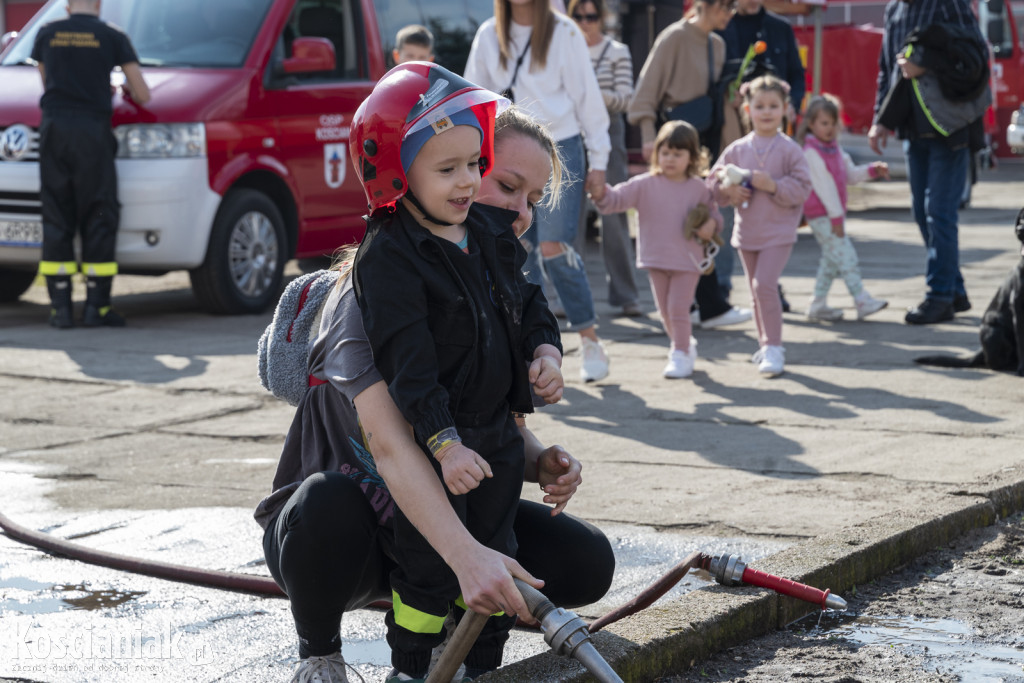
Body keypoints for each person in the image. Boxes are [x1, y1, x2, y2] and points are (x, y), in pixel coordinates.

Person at [257, 100, 614, 683]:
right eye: (507, 185)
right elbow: (396, 448)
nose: (520, 215)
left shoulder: (487, 282)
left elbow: (487, 430)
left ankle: (457, 620)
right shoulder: (368, 297)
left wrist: (539, 460)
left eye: (532, 200)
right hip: (349, 530)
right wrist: (470, 558)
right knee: (327, 505)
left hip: (436, 510)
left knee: (586, 562)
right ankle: (319, 653)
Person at [465, 0, 614, 383]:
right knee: (510, 248)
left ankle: (589, 338)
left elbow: (589, 101)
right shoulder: (488, 35)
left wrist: (599, 160)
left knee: (554, 247)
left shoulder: (564, 31)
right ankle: (520, 349)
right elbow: (471, 100)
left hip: (558, 150)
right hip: (506, 153)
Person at [628, 0, 752, 332]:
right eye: (725, 7)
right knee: (688, 221)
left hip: (706, 145)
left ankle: (704, 303)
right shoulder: (674, 37)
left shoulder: (717, 43)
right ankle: (706, 305)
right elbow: (646, 93)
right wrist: (648, 137)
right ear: (705, 5)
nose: (729, 14)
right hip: (678, 144)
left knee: (703, 219)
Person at [30, 0, 150, 328]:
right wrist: (117, 88)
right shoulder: (111, 35)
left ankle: (60, 310)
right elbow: (142, 93)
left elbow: (47, 80)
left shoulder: (46, 33)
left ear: (67, 5)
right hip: (92, 133)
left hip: (54, 130)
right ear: (98, 4)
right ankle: (96, 307)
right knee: (99, 211)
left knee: (56, 212)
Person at [868, 0, 985, 325]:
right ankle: (954, 290)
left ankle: (940, 297)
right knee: (922, 211)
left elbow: (976, 54)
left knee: (939, 213)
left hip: (949, 126)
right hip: (912, 127)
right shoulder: (894, 9)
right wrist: (880, 119)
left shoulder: (949, 3)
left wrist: (926, 63)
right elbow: (887, 68)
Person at [591, 120, 722, 379]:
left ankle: (681, 351)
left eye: (678, 153)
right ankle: (684, 345)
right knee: (665, 313)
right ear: (656, 153)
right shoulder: (644, 184)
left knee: (677, 308)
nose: (670, 159)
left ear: (692, 157)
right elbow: (615, 200)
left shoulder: (698, 187)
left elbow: (716, 218)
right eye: (665, 152)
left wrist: (710, 225)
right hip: (656, 259)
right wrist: (599, 193)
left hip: (688, 260)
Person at [709, 75, 811, 378]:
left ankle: (774, 347)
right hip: (747, 232)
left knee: (763, 285)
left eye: (773, 106)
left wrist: (774, 185)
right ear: (747, 108)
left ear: (785, 109)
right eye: (759, 105)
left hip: (779, 232)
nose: (766, 112)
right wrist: (729, 189)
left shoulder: (790, 149)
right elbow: (713, 183)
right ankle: (764, 344)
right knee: (756, 293)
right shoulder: (737, 149)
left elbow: (803, 188)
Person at [568, 0, 642, 318]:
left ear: (602, 17)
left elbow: (626, 98)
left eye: (591, 16)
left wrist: (589, 94)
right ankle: (567, 296)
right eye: (579, 16)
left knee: (614, 215)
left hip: (609, 132)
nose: (586, 22)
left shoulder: (616, 51)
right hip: (571, 130)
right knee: (569, 217)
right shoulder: (565, 49)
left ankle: (626, 295)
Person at [797, 94, 890, 322]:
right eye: (823, 123)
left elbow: (849, 174)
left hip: (832, 215)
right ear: (811, 124)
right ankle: (861, 299)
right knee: (846, 256)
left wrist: (871, 170)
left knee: (831, 260)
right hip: (822, 216)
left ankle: (818, 304)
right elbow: (825, 188)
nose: (829, 128)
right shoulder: (811, 152)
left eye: (833, 123)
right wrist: (837, 219)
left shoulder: (834, 148)